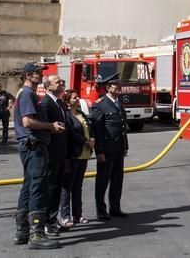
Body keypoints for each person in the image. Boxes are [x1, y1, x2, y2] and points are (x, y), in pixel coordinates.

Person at [13, 62, 64, 250]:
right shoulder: (27, 93)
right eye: (36, 72)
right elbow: (27, 121)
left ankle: (22, 232)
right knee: (38, 187)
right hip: (34, 145)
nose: (40, 75)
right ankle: (37, 234)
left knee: (28, 186)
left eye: (41, 72)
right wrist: (51, 126)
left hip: (29, 145)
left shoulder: (26, 93)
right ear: (27, 75)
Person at [90, 75, 129, 221]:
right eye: (115, 85)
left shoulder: (118, 104)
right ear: (108, 87)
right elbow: (97, 130)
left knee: (117, 180)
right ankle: (101, 210)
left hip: (118, 148)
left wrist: (125, 146)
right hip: (106, 149)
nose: (118, 87)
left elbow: (122, 128)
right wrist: (99, 151)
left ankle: (115, 207)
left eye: (119, 85)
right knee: (102, 181)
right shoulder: (100, 104)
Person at [39, 75, 71, 237]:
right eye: (58, 82)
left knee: (57, 187)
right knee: (50, 188)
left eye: (62, 81)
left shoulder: (58, 102)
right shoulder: (45, 104)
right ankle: (46, 222)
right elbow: (44, 130)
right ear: (48, 86)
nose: (62, 83)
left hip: (61, 153)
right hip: (51, 153)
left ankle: (53, 218)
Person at [59, 90, 94, 226]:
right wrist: (85, 141)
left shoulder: (81, 114)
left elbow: (89, 128)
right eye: (74, 98)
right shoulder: (66, 116)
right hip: (73, 155)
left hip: (84, 154)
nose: (78, 99)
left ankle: (78, 214)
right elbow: (71, 132)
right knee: (67, 186)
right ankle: (65, 216)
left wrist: (92, 139)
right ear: (68, 101)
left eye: (77, 97)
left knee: (78, 186)